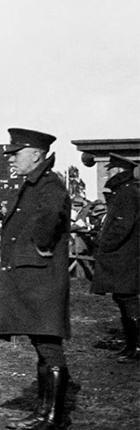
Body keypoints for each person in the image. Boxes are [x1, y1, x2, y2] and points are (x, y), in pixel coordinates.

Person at [0, 128, 72, 430]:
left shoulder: (49, 184)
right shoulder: (36, 182)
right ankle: (43, 412)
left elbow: (51, 214)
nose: (13, 159)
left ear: (36, 154)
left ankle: (54, 420)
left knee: (49, 346)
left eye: (17, 153)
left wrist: (41, 243)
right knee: (41, 345)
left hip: (42, 278)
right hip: (33, 277)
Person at [89, 154, 139, 362]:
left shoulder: (126, 194)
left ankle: (136, 347)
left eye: (111, 169)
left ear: (119, 171)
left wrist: (105, 245)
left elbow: (122, 226)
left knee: (127, 300)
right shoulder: (127, 192)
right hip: (125, 255)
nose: (108, 173)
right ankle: (131, 346)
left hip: (123, 256)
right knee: (123, 298)